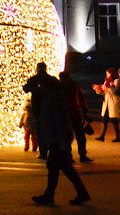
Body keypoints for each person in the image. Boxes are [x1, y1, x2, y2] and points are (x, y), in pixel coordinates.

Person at [32, 71, 90, 205]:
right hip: (58, 138)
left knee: (58, 166)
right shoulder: (54, 97)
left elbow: (58, 119)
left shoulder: (53, 98)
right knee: (59, 167)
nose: (41, 88)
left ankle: (51, 196)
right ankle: (56, 195)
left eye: (42, 85)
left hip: (58, 139)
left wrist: (60, 140)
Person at [23, 63, 55, 158]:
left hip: (37, 108)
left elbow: (25, 89)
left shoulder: (33, 79)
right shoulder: (51, 79)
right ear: (45, 68)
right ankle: (52, 150)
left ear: (37, 69)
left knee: (40, 131)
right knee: (49, 130)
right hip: (49, 108)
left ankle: (43, 152)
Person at [60, 72, 92, 162]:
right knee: (79, 135)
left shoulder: (60, 87)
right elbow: (81, 99)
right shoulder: (74, 86)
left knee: (69, 136)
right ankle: (82, 155)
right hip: (73, 113)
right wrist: (85, 112)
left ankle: (69, 155)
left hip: (67, 115)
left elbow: (81, 99)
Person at [93, 67, 120, 142]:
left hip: (113, 102)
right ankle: (102, 136)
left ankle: (118, 136)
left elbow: (116, 92)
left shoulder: (117, 81)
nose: (107, 75)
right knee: (104, 119)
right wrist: (98, 89)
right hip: (107, 103)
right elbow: (104, 92)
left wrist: (108, 88)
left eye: (108, 74)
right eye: (106, 74)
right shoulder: (107, 81)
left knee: (114, 120)